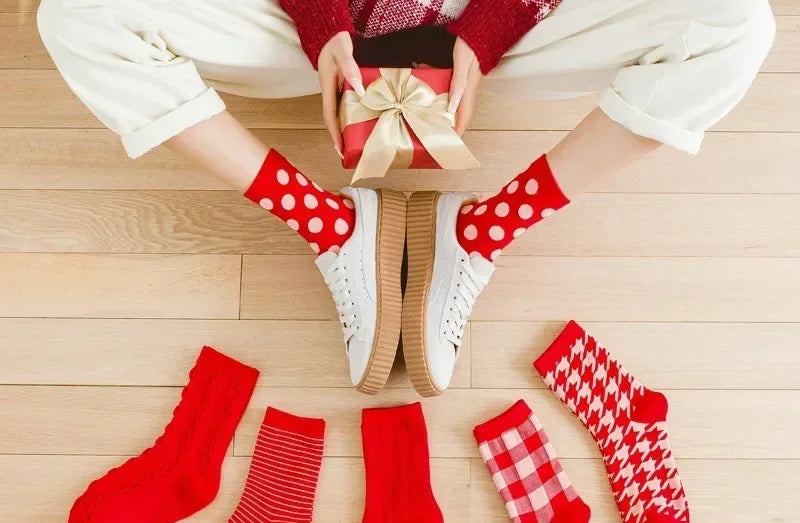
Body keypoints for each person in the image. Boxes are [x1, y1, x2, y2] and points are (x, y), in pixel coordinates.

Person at [37, 0, 775, 396]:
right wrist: (323, 25)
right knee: (78, 12)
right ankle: (328, 224)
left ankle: (481, 233)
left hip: (498, 30)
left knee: (735, 22)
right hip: (315, 29)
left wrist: (483, 36)